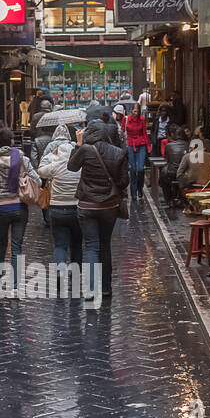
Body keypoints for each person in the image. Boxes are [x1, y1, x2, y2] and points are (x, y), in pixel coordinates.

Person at [68, 120, 129, 303]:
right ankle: (106, 288)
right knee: (105, 245)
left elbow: (71, 167)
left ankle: (92, 289)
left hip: (87, 206)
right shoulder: (118, 152)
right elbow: (124, 181)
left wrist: (78, 145)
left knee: (91, 247)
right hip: (109, 206)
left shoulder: (85, 149)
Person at [0, 128, 39, 290]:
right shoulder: (21, 158)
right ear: (11, 142)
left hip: (1, 210)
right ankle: (15, 284)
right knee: (17, 246)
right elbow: (37, 179)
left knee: (1, 245)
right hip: (20, 207)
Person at [37, 124, 82, 269]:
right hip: (77, 208)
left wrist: (51, 155)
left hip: (57, 209)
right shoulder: (80, 166)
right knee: (76, 244)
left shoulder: (55, 166)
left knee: (60, 245)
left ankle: (59, 272)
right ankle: (76, 272)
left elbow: (40, 171)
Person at [125, 101, 150, 201]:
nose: (136, 113)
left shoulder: (142, 119)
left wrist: (148, 146)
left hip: (141, 144)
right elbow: (123, 132)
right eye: (134, 111)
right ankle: (133, 192)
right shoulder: (126, 119)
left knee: (140, 169)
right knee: (133, 169)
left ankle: (140, 189)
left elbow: (144, 133)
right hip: (131, 145)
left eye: (137, 111)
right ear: (131, 111)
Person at [160, 124, 188, 204]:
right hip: (186, 173)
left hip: (172, 173)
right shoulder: (189, 144)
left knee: (163, 177)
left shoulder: (168, 146)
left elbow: (167, 159)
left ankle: (168, 199)